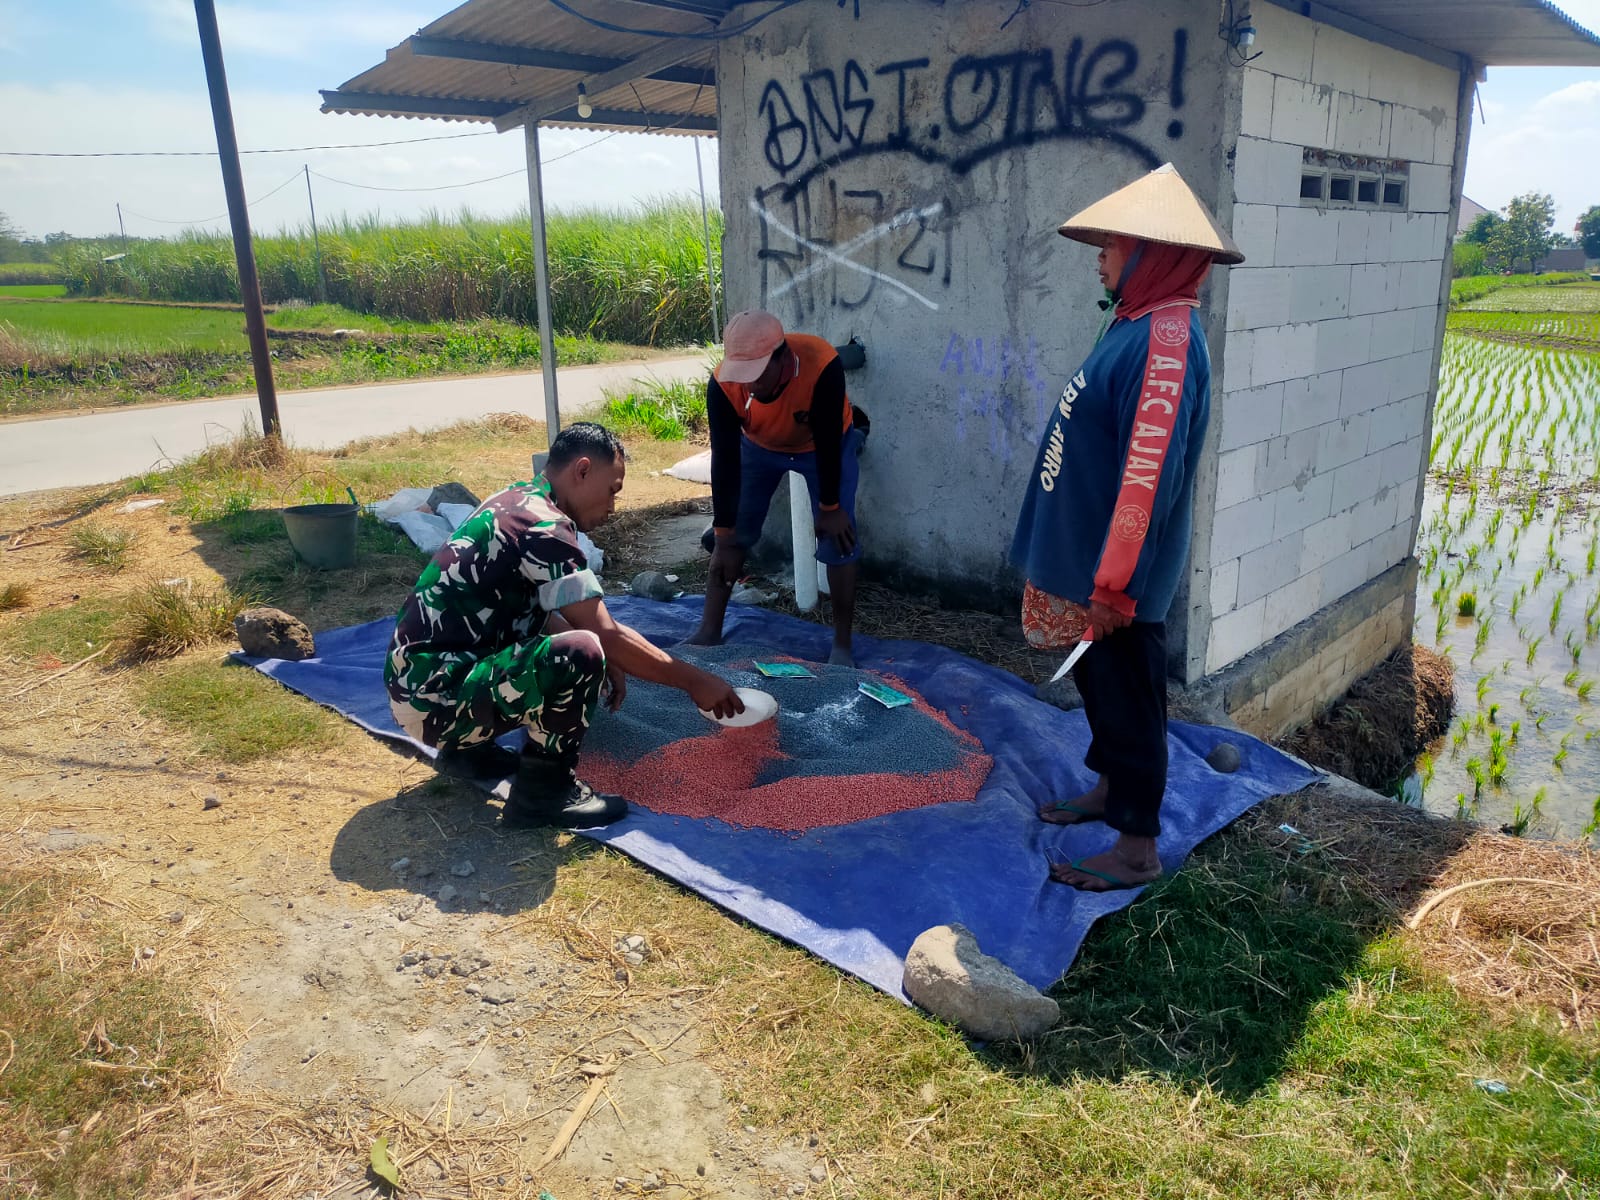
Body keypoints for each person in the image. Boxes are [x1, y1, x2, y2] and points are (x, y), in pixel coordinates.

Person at [1011, 163, 1244, 892]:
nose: (1101, 257)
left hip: (1116, 583)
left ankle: (1137, 847)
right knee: (1099, 688)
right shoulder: (1134, 322)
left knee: (1131, 698)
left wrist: (1114, 586)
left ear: (1153, 253)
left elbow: (1147, 474)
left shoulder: (1165, 343)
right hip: (1089, 564)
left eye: (1112, 246)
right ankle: (1110, 792)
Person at [386, 422, 744, 829]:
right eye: (613, 491)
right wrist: (695, 681)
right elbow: (605, 634)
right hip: (436, 701)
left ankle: (469, 753)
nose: (613, 507)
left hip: (417, 686)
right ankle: (544, 796)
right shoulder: (545, 527)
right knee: (584, 652)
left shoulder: (515, 500)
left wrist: (600, 649)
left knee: (572, 640)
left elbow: (538, 611)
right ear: (583, 470)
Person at [687, 310, 865, 666]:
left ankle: (842, 644)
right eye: (744, 375)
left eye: (757, 373)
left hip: (823, 447)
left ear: (783, 358)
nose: (751, 385)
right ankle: (709, 631)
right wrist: (723, 533)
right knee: (733, 534)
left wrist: (831, 508)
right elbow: (724, 459)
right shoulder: (723, 386)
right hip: (759, 448)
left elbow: (830, 438)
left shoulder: (821, 364)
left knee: (839, 539)